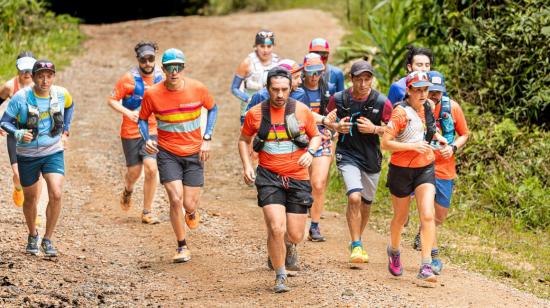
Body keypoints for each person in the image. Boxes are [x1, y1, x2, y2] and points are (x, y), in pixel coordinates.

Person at [238, 67, 321, 293]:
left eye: (285, 89)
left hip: (298, 177)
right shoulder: (255, 113)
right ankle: (280, 274)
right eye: (275, 90)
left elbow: (316, 136)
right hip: (269, 176)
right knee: (275, 226)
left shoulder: (302, 111)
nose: (280, 95)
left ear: (291, 88)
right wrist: (247, 165)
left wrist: (310, 153)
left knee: (295, 234)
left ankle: (286, 245)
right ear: (267, 89)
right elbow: (244, 140)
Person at [138, 48, 219, 263]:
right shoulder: (152, 93)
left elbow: (213, 108)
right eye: (170, 68)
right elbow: (142, 119)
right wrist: (147, 138)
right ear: (163, 69)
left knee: (189, 204)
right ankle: (182, 246)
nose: (174, 72)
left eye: (178, 67)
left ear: (183, 68)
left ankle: (191, 213)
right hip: (167, 153)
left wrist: (207, 137)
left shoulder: (198, 88)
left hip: (194, 152)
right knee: (175, 199)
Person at [0, 59, 75, 257]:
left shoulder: (61, 93)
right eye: (40, 76)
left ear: (54, 77)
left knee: (56, 193)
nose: (44, 80)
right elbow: (5, 122)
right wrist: (17, 133)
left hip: (53, 151)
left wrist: (66, 130)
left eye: (48, 76)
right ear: (33, 77)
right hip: (27, 155)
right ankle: (33, 234)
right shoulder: (20, 97)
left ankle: (48, 239)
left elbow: (70, 105)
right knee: (30, 200)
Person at [381, 71, 447, 283]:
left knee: (427, 215)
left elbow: (429, 127)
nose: (422, 94)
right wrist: (411, 146)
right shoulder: (400, 113)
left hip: (425, 167)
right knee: (401, 218)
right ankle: (394, 250)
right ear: (408, 91)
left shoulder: (428, 107)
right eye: (417, 90)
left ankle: (426, 264)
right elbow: (385, 143)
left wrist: (438, 137)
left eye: (425, 89)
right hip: (401, 170)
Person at [325, 60, 393, 264]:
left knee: (366, 203)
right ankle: (356, 245)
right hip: (347, 154)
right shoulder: (338, 99)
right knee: (354, 197)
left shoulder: (382, 102)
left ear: (372, 79)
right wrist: (336, 127)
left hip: (371, 157)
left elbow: (394, 131)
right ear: (351, 80)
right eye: (359, 79)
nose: (363, 84)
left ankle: (357, 239)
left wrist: (375, 129)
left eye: (367, 79)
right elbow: (326, 123)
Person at [411, 71, 469, 274]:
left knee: (440, 215)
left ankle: (423, 231)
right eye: (430, 91)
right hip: (422, 166)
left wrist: (452, 148)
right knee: (429, 213)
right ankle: (433, 258)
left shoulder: (452, 108)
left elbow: (465, 134)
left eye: (437, 92)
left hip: (446, 168)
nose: (434, 96)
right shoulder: (416, 109)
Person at [107, 41, 163, 224]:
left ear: (155, 57)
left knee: (151, 169)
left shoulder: (162, 78)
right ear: (138, 59)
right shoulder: (128, 79)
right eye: (143, 60)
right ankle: (128, 189)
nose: (147, 63)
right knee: (134, 172)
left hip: (153, 130)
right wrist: (128, 112)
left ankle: (147, 211)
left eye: (151, 59)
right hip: (131, 131)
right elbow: (112, 100)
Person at [300, 54, 333, 242]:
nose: (314, 76)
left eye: (318, 72)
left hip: (322, 137)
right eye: (310, 72)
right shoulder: (296, 90)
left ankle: (314, 224)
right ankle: (299, 219)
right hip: (301, 138)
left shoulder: (327, 90)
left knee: (318, 183)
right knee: (304, 183)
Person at [0, 51, 37, 207]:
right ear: (18, 68)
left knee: (35, 175)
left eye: (30, 69)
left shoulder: (40, 85)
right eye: (24, 69)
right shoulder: (10, 86)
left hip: (34, 133)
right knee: (18, 173)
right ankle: (17, 188)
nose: (27, 73)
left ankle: (33, 209)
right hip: (14, 133)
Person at [231, 30, 280, 124]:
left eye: (269, 46)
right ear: (256, 46)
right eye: (262, 46)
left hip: (271, 111)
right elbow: (234, 88)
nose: (266, 50)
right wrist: (248, 99)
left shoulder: (277, 62)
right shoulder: (247, 63)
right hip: (249, 111)